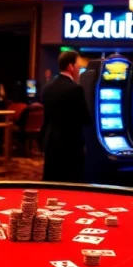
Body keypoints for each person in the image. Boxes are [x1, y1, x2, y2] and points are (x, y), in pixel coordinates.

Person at [41, 50, 91, 182]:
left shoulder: (48, 87)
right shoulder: (75, 89)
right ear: (70, 67)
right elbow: (85, 118)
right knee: (69, 185)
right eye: (78, 66)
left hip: (51, 141)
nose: (79, 69)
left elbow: (47, 118)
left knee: (52, 183)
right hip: (70, 146)